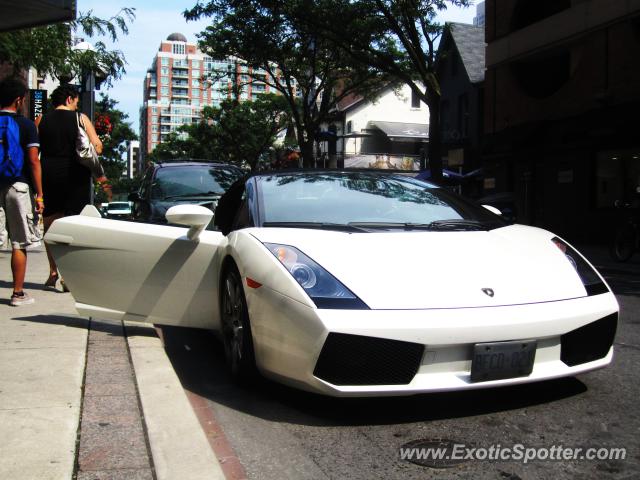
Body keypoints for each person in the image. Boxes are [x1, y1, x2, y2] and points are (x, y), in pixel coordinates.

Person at [37, 84, 111, 290]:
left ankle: (53, 271)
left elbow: (34, 152)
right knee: (73, 226)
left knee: (50, 224)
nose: (77, 104)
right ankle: (67, 277)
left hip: (49, 174)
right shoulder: (80, 118)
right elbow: (97, 146)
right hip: (75, 176)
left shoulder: (41, 119)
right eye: (76, 100)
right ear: (70, 99)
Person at [0, 77, 44, 306]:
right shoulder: (26, 125)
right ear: (19, 100)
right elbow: (34, 161)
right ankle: (17, 293)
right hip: (17, 186)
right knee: (19, 242)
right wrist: (40, 194)